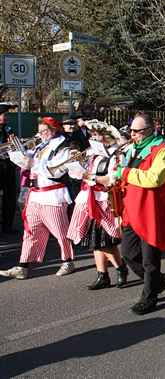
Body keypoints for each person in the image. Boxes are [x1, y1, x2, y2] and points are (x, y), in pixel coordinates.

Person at [100, 112, 165, 315]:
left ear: (149, 130)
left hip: (150, 210)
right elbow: (121, 171)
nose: (132, 134)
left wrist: (125, 173)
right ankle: (158, 282)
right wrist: (108, 177)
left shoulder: (162, 149)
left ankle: (149, 297)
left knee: (150, 260)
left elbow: (155, 178)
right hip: (131, 209)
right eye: (131, 130)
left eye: (136, 131)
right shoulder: (132, 148)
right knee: (128, 254)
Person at [0, 117, 75, 279]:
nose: (40, 134)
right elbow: (26, 162)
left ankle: (68, 261)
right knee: (30, 232)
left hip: (53, 196)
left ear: (54, 130)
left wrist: (32, 162)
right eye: (39, 131)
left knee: (60, 232)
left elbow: (55, 171)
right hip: (35, 195)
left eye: (44, 131)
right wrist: (16, 150)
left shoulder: (63, 147)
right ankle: (23, 266)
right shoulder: (41, 145)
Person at [67, 120, 129, 290]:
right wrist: (75, 165)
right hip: (89, 199)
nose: (93, 138)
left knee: (105, 241)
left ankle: (120, 268)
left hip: (105, 200)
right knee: (96, 240)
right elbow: (79, 174)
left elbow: (112, 179)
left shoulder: (116, 154)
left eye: (96, 134)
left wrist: (91, 177)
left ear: (106, 136)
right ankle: (103, 274)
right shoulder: (92, 154)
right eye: (92, 134)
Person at [0, 105, 17, 235]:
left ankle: (7, 226)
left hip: (8, 166)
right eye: (2, 114)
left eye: (5, 114)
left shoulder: (8, 129)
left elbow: (15, 145)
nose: (5, 117)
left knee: (10, 196)